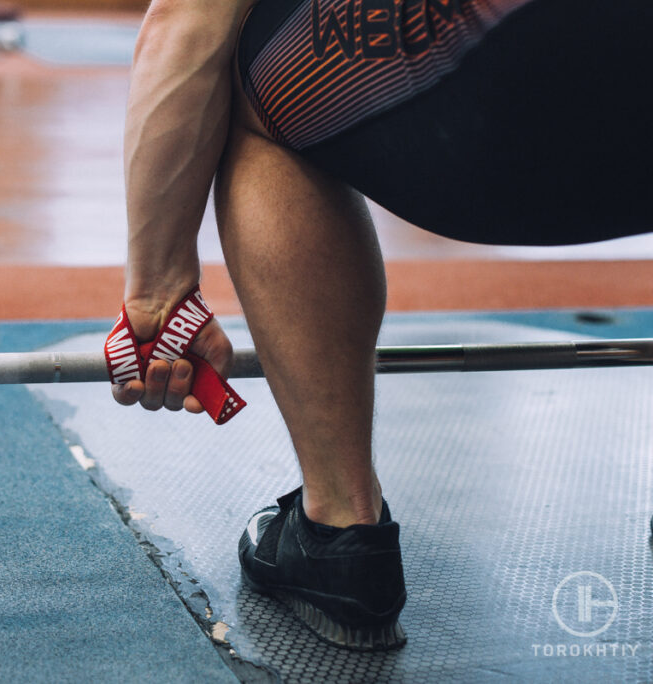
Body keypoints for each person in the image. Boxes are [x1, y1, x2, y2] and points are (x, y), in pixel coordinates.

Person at [108, 0, 651, 652]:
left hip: (520, 62)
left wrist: (157, 290)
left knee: (252, 65)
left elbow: (186, 19)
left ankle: (342, 533)